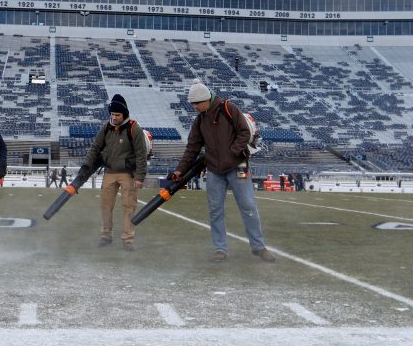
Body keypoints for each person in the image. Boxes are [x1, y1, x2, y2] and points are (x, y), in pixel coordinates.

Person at [171, 80, 275, 262]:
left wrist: (232, 152)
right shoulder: (199, 121)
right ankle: (220, 249)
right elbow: (192, 148)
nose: (194, 107)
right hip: (214, 170)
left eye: (196, 103)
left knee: (248, 206)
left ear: (205, 99)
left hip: (239, 166)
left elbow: (244, 132)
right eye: (192, 104)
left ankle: (259, 247)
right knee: (215, 210)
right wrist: (181, 170)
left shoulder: (229, 108)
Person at [82, 94, 148, 251]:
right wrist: (86, 165)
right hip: (109, 171)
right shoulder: (106, 127)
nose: (114, 117)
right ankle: (106, 236)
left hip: (128, 174)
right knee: (105, 205)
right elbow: (95, 147)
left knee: (129, 206)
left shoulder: (134, 128)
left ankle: (128, 239)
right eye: (112, 114)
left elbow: (141, 153)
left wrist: (140, 176)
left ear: (124, 114)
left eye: (117, 115)